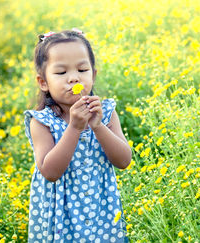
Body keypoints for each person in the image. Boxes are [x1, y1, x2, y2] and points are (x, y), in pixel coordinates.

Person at [24, 28, 132, 242]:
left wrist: (98, 126)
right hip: (59, 218)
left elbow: (123, 160)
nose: (74, 78)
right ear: (43, 82)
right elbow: (50, 172)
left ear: (93, 75)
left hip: (101, 211)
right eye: (61, 73)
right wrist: (74, 128)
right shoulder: (42, 122)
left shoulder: (107, 113)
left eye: (82, 70)